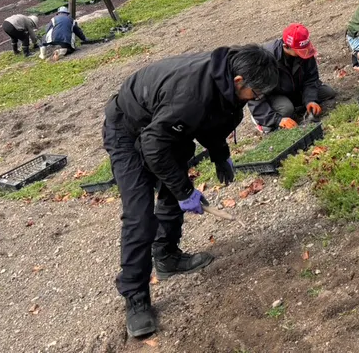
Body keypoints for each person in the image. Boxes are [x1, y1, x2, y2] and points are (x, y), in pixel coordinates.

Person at [103, 44, 279, 338]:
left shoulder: (225, 82)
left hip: (164, 124)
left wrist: (220, 154)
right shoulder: (191, 95)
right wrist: (186, 191)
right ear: (239, 82)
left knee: (174, 187)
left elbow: (211, 121)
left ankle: (167, 257)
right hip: (128, 127)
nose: (257, 99)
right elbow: (153, 146)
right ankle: (136, 297)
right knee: (139, 215)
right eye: (256, 94)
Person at [247, 24, 336, 133]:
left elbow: (311, 79)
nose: (305, 53)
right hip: (274, 94)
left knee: (328, 92)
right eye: (300, 51)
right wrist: (277, 120)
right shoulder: (266, 58)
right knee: (286, 110)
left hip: (294, 88)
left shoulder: (305, 51)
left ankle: (296, 106)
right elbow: (255, 95)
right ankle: (260, 118)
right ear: (286, 46)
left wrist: (310, 100)